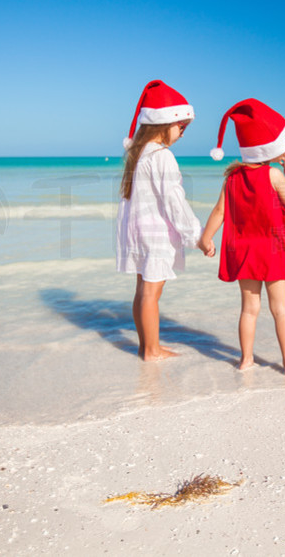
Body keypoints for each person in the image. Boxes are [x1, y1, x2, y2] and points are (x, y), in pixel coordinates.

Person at [199, 99, 285, 376]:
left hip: (244, 250)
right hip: (272, 249)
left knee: (249, 309)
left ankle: (246, 360)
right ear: (270, 149)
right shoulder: (273, 175)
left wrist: (206, 238)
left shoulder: (232, 178)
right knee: (280, 309)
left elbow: (220, 211)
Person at [117, 80, 210, 361]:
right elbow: (174, 201)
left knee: (142, 290)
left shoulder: (139, 154)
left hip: (139, 232)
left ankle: (146, 346)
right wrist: (197, 235)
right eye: (180, 127)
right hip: (155, 233)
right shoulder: (162, 156)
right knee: (151, 294)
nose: (182, 134)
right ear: (163, 123)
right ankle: (152, 350)